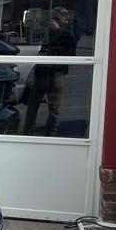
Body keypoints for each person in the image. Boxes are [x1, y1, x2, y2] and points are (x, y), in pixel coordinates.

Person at [23, 7, 77, 136]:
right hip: (42, 70)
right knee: (32, 104)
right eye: (53, 19)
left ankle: (50, 134)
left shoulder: (68, 30)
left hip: (57, 71)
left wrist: (58, 29)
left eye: (58, 19)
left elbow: (72, 42)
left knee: (54, 107)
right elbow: (31, 39)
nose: (55, 22)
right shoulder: (47, 28)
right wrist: (38, 25)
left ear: (65, 19)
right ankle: (28, 132)